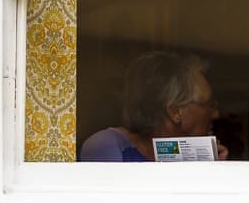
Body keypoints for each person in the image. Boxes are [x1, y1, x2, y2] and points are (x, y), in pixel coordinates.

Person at [78, 51, 227, 162]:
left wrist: (212, 169)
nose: (216, 114)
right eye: (208, 105)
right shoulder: (107, 146)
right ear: (176, 112)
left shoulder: (191, 157)